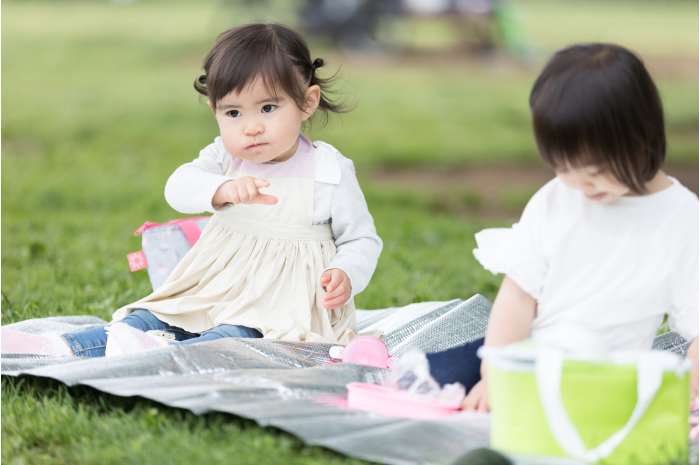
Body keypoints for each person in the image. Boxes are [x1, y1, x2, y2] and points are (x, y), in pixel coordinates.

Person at [2, 23, 382, 358]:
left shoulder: (329, 170)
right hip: (213, 286)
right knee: (152, 317)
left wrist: (345, 272)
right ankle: (67, 347)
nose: (250, 127)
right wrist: (222, 189)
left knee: (230, 340)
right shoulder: (224, 160)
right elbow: (178, 187)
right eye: (233, 113)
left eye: (267, 108)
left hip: (281, 304)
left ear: (307, 102)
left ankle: (167, 356)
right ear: (215, 110)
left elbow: (361, 238)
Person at [425, 43, 699, 411]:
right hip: (527, 360)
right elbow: (519, 296)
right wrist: (494, 374)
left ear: (642, 140)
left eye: (596, 173)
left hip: (609, 378)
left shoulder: (680, 218)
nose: (580, 186)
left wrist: (686, 400)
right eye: (563, 169)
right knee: (438, 374)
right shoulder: (556, 199)